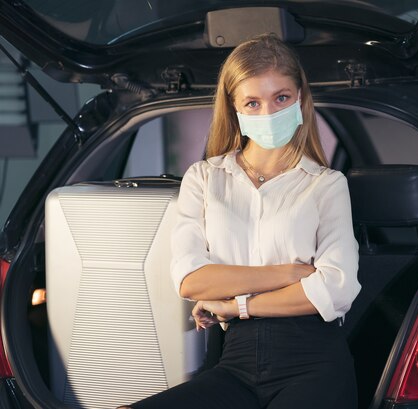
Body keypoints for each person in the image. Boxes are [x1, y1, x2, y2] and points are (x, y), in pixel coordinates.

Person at [118, 34, 361, 409]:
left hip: (314, 362)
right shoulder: (203, 178)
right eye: (253, 102)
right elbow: (191, 280)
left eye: (281, 97)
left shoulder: (327, 185)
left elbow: (335, 291)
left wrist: (236, 305)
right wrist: (292, 273)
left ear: (300, 98)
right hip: (235, 365)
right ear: (234, 108)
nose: (269, 113)